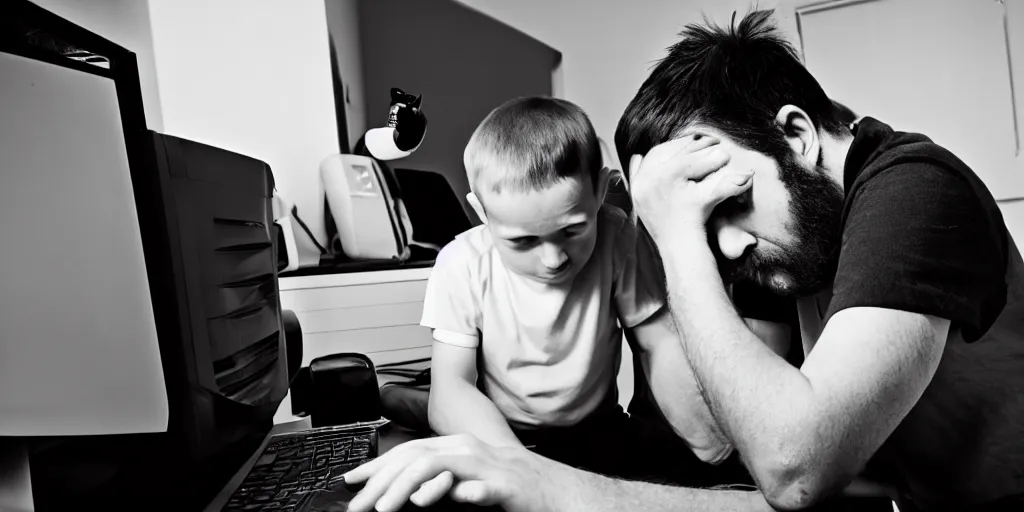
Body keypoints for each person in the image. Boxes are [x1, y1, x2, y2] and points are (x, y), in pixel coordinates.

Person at [342, 10, 1024, 512]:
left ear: (795, 134)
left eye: (723, 203)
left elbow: (793, 467)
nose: (721, 244)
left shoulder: (917, 187)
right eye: (699, 220)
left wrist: (672, 238)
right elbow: (727, 442)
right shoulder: (786, 247)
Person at [421, 97, 764, 479]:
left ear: (600, 190)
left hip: (597, 429)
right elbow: (451, 389)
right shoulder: (460, 264)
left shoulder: (617, 238)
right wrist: (524, 470)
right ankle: (399, 401)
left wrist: (715, 447)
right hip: (502, 431)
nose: (553, 259)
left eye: (572, 230)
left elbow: (658, 343)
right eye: (523, 241)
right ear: (482, 212)